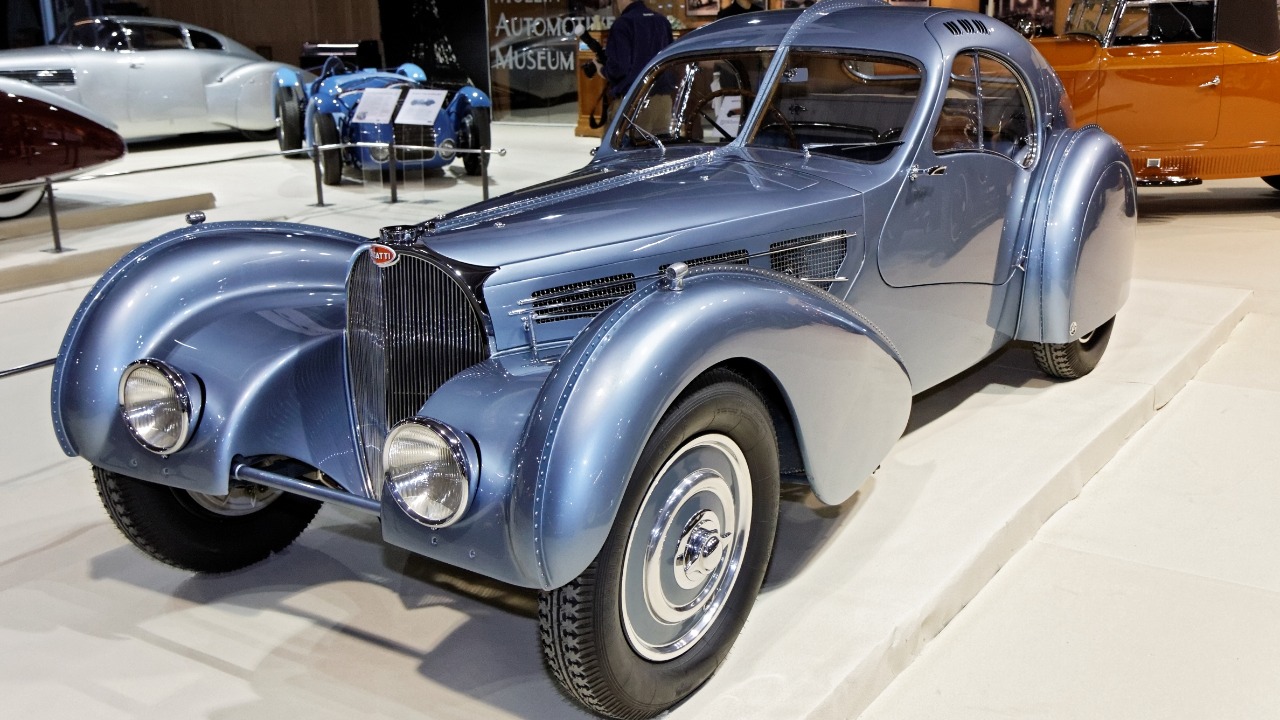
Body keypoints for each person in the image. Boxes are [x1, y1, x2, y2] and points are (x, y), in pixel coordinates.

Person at [602, 0, 673, 105]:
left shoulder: (622, 24)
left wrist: (603, 70)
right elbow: (671, 61)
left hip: (633, 102)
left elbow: (618, 68)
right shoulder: (662, 21)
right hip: (663, 99)